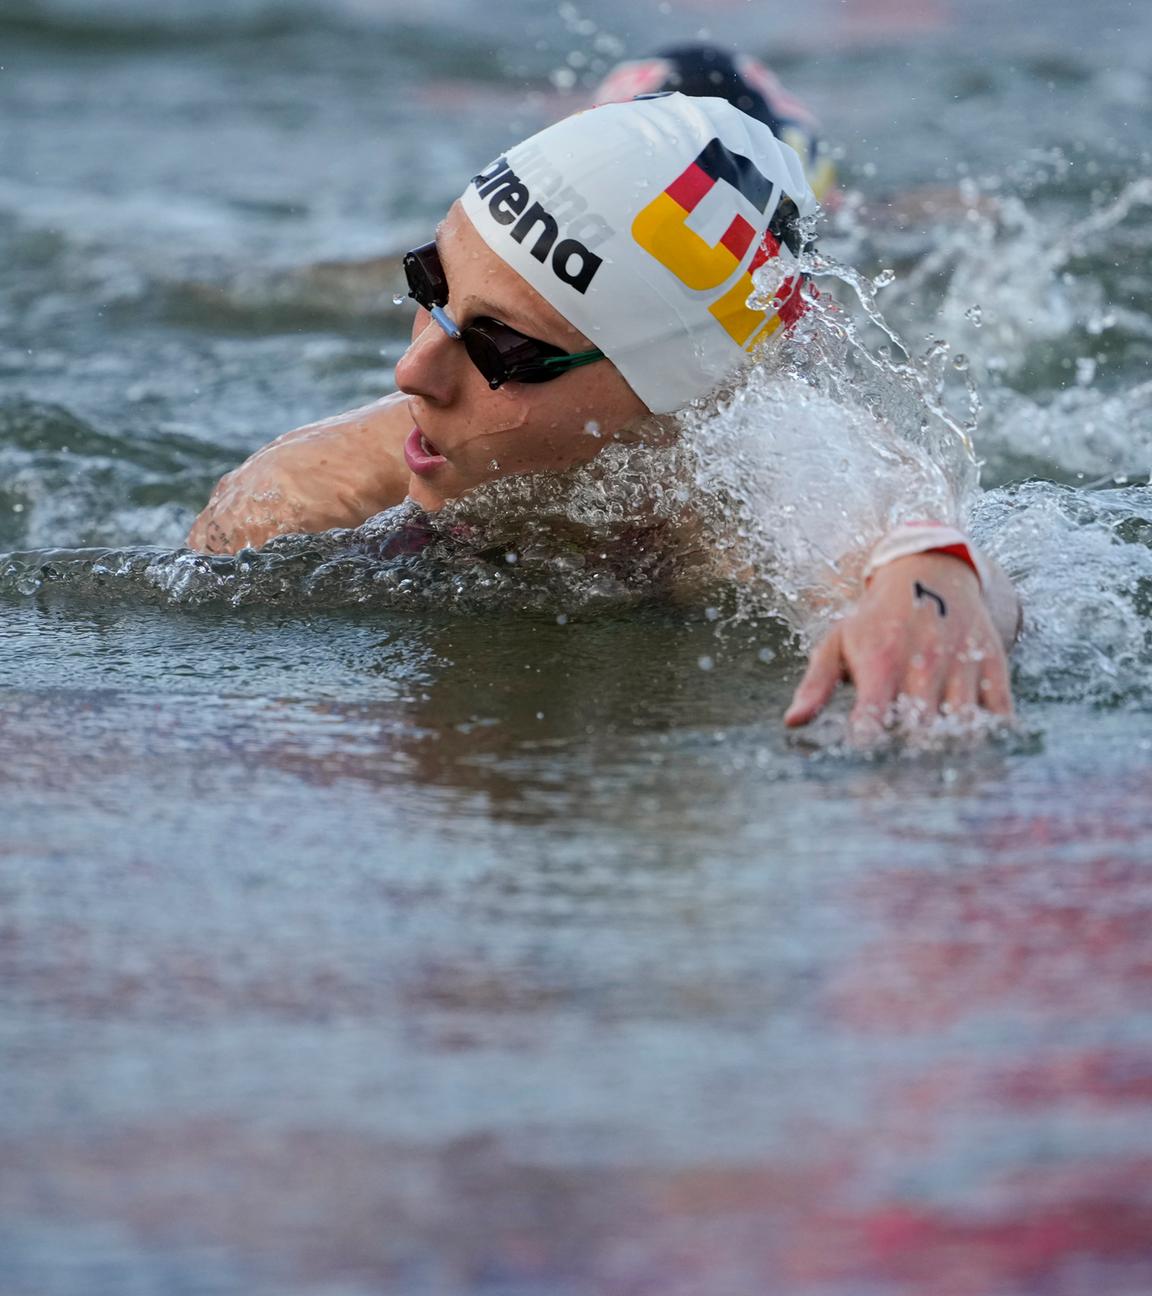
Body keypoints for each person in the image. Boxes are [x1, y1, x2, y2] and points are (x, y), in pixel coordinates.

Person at [187, 90, 1018, 732]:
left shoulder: (736, 499)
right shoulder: (304, 501)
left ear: (674, 404)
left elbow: (904, 537)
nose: (413, 370)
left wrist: (935, 580)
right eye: (427, 285)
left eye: (502, 349)